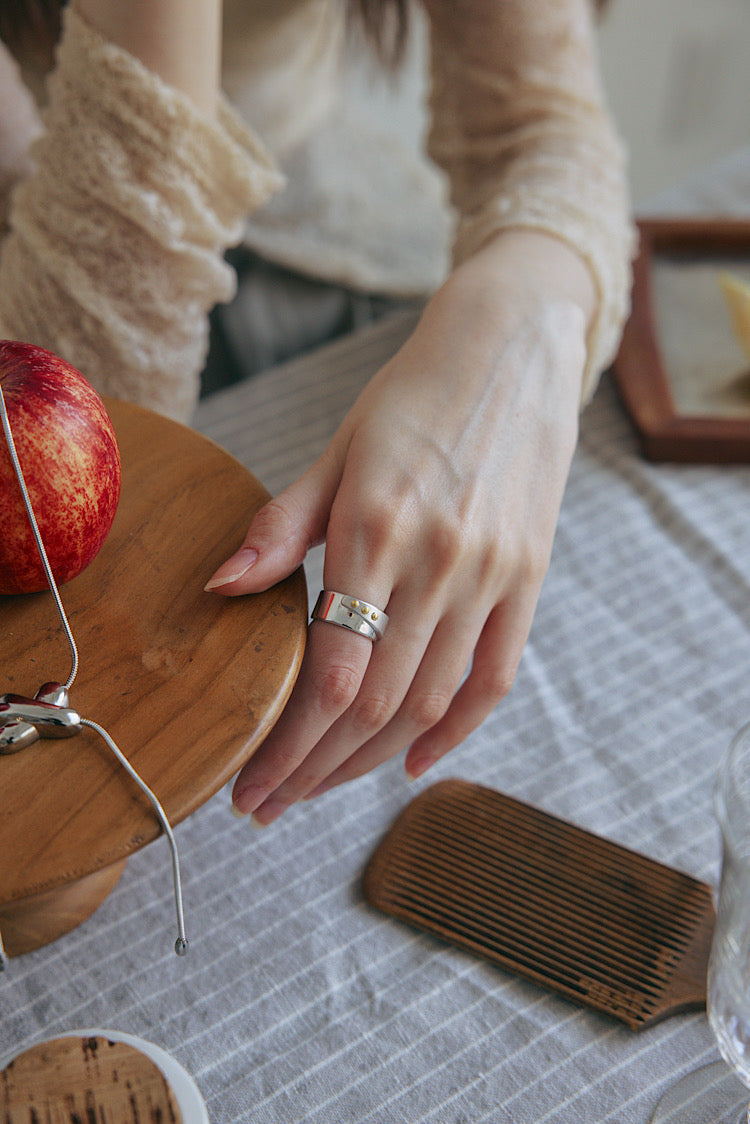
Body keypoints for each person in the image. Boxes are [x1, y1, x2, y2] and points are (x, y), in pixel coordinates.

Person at [0, 0, 635, 826]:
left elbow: (544, 134)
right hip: (57, 241)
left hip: (340, 235)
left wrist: (526, 327)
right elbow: (85, 416)